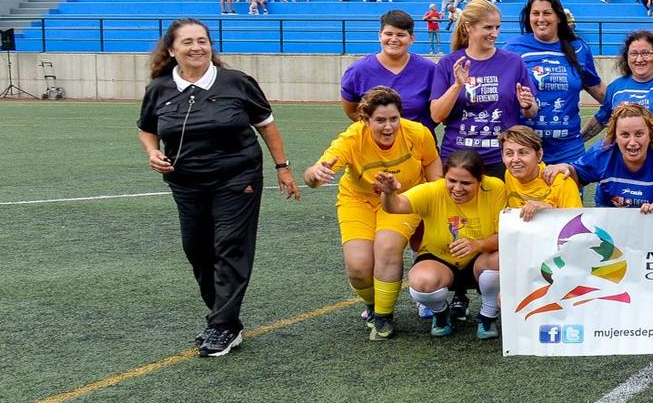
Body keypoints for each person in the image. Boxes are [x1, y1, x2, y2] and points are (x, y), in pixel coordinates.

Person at [136, 19, 300, 358]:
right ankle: (222, 317)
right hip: (186, 183)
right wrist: (153, 152)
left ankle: (223, 326)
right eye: (188, 42)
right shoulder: (160, 88)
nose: (197, 47)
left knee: (230, 245)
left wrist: (282, 168)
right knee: (197, 251)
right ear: (171, 50)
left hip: (238, 179)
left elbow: (267, 127)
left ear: (211, 46)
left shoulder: (237, 83)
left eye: (203, 41)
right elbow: (147, 128)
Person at [303, 86, 441, 341]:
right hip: (358, 200)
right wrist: (315, 175)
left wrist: (434, 192)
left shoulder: (417, 133)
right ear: (365, 120)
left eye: (393, 119)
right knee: (358, 266)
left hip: (402, 198)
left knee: (387, 247)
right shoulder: (352, 139)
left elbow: (431, 161)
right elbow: (314, 175)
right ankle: (372, 303)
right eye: (379, 120)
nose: (388, 127)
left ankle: (383, 315)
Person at [371, 151, 505, 341]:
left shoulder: (495, 188)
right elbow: (394, 207)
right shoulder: (432, 190)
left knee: (502, 260)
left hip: (480, 260)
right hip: (439, 258)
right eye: (451, 181)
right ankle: (440, 313)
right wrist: (389, 192)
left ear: (480, 180)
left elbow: (506, 235)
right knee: (422, 282)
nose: (457, 188)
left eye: (466, 183)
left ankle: (488, 316)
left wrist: (478, 245)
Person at [432, 0, 539, 176]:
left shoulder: (513, 62)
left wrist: (527, 105)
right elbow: (437, 115)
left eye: (497, 27)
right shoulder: (449, 63)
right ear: (468, 27)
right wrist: (458, 85)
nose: (494, 33)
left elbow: (531, 112)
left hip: (501, 159)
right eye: (488, 28)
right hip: (459, 161)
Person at [500, 0, 605, 164]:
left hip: (568, 151)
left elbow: (598, 89)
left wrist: (628, 101)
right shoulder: (513, 48)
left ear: (558, 17)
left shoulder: (578, 48)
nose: (541, 19)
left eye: (547, 13)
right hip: (525, 151)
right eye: (535, 13)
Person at [566, 102, 653, 210]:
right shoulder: (602, 152)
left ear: (650, 135)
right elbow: (575, 176)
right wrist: (564, 169)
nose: (632, 142)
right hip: (609, 219)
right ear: (615, 137)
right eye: (625, 135)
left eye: (639, 134)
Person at [593, 31, 653, 156]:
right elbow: (601, 119)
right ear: (626, 57)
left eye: (645, 53)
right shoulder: (616, 87)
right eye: (633, 54)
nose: (639, 59)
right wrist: (576, 139)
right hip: (627, 163)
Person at [498, 125, 582, 219]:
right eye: (509, 153)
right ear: (502, 156)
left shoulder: (562, 182)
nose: (515, 159)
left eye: (523, 152)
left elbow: (576, 226)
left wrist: (548, 211)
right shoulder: (509, 174)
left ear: (539, 155)